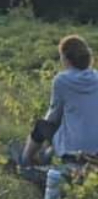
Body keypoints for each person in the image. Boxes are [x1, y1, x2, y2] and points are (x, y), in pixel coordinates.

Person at [22, 35, 98, 167]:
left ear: (66, 58)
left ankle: (24, 161)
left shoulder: (62, 80)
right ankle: (48, 155)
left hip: (74, 148)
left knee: (41, 126)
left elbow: (53, 117)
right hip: (95, 149)